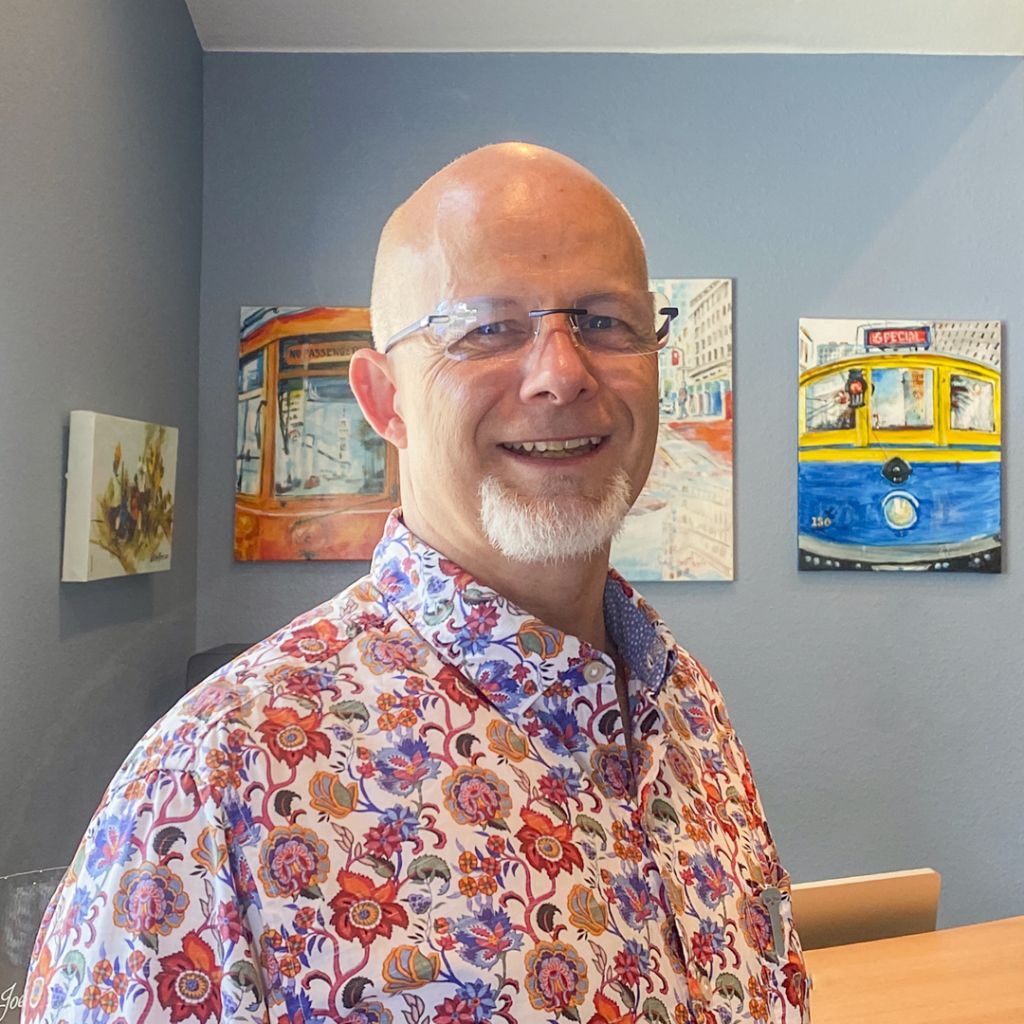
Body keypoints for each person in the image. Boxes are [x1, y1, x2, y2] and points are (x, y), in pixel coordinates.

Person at [25, 143, 808, 1024]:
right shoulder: (208, 787)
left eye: (603, 320)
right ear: (385, 400)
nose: (561, 372)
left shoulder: (688, 709)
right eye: (485, 328)